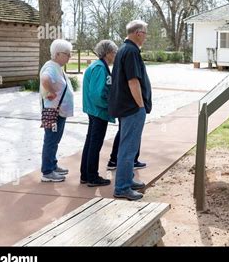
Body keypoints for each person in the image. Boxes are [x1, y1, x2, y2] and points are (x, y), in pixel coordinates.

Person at [108, 20, 152, 201]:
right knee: (128, 147)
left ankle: (127, 179)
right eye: (145, 33)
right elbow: (133, 81)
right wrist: (140, 105)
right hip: (132, 107)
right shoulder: (131, 51)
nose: (146, 37)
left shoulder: (123, 50)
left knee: (128, 146)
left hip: (126, 106)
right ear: (138, 33)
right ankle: (122, 187)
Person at [80, 40, 118, 187]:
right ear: (108, 53)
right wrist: (109, 106)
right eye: (114, 52)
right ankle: (92, 176)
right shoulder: (100, 68)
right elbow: (97, 94)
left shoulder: (97, 66)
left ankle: (86, 174)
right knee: (95, 144)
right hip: (98, 111)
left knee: (90, 142)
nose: (115, 55)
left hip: (93, 110)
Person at [39, 39, 74, 182]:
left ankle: (52, 165)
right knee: (51, 140)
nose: (69, 57)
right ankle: (47, 171)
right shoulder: (51, 67)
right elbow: (45, 79)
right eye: (67, 54)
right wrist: (51, 91)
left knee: (54, 140)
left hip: (57, 111)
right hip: (53, 112)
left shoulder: (55, 66)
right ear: (58, 54)